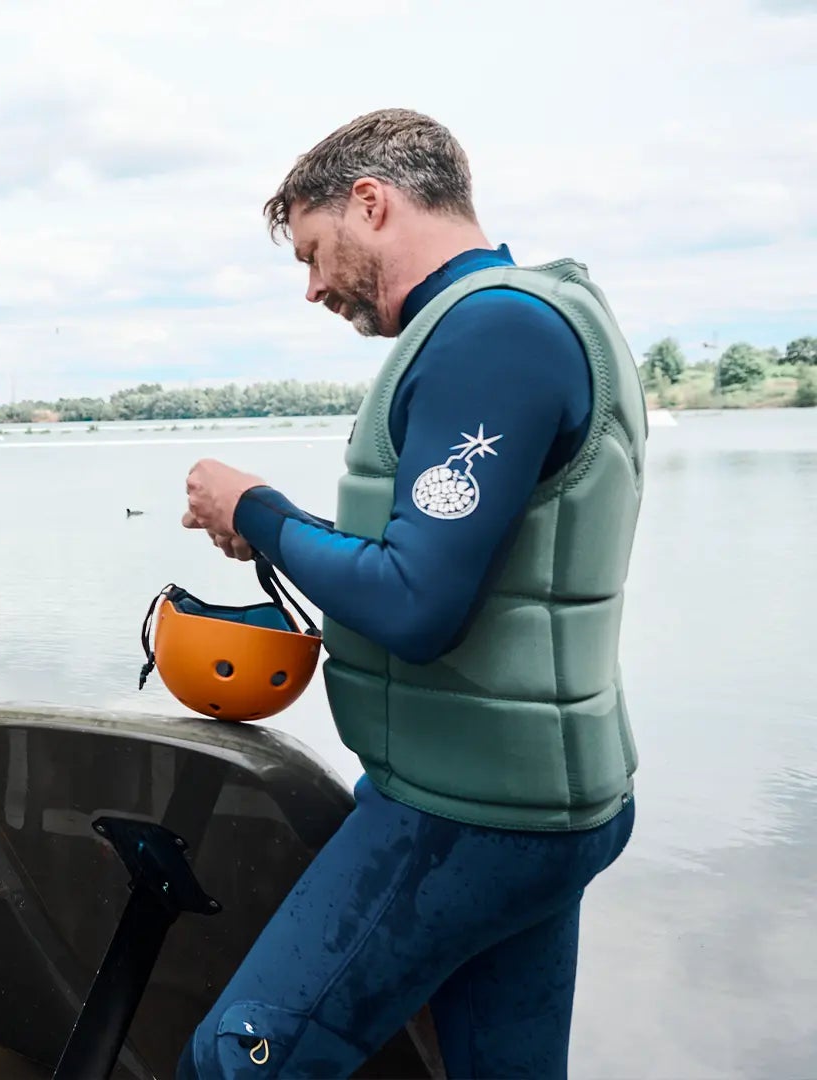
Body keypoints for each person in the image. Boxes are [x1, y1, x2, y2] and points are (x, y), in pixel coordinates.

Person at [176, 108, 644, 1079]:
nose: (311, 289)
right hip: (529, 807)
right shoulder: (512, 323)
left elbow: (416, 608)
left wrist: (256, 508)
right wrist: (281, 525)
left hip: (468, 815)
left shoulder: (496, 332)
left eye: (312, 252)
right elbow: (434, 555)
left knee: (237, 1057)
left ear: (371, 202)